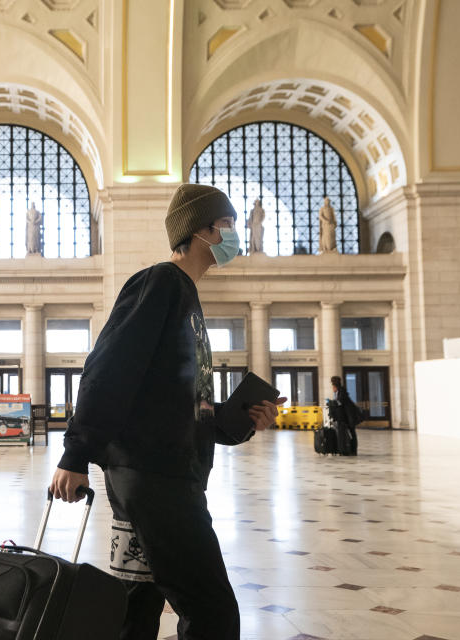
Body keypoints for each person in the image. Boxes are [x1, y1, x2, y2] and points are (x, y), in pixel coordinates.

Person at [49, 183, 286, 640]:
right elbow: (109, 368)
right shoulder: (160, 283)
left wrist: (240, 422)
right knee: (212, 609)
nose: (234, 235)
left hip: (158, 473)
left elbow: (180, 404)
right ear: (202, 231)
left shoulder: (187, 297)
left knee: (135, 604)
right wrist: (76, 454)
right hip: (156, 478)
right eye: (228, 225)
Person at [330, 376, 360, 455]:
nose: (332, 387)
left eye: (333, 385)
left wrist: (333, 402)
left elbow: (340, 402)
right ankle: (347, 449)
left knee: (351, 432)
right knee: (350, 432)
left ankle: (353, 450)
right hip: (344, 416)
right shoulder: (339, 391)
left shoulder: (342, 391)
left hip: (348, 416)